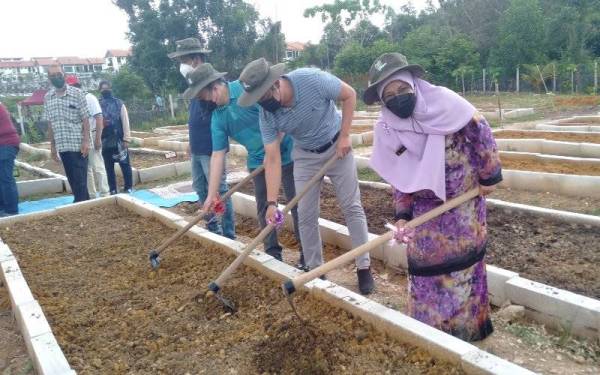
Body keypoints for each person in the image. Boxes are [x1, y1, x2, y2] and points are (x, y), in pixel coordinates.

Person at [365, 53, 502, 342]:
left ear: (414, 84)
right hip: (425, 217)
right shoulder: (388, 128)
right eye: (389, 95)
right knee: (428, 279)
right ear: (381, 99)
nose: (397, 97)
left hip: (463, 208)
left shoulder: (447, 104)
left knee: (465, 272)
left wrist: (489, 175)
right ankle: (432, 337)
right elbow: (400, 177)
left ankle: (467, 333)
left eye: (402, 89)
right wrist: (403, 215)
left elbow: (482, 133)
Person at [238, 58, 375, 295]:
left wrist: (344, 136)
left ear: (275, 84)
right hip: (304, 156)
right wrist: (271, 203)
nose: (262, 104)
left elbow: (350, 94)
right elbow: (272, 158)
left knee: (351, 207)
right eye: (257, 100)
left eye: (264, 96)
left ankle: (364, 266)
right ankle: (315, 269)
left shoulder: (312, 80)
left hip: (336, 149)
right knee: (306, 215)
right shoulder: (266, 114)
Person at [185, 63, 304, 263]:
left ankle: (306, 253)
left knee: (297, 205)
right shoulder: (217, 117)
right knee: (265, 207)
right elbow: (217, 155)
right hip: (258, 161)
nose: (208, 100)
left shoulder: (246, 90)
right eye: (203, 98)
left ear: (215, 85)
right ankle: (273, 253)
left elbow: (279, 113)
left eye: (206, 94)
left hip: (287, 152)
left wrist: (273, 148)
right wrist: (212, 195)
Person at [168, 37, 235, 239]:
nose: (182, 65)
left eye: (184, 60)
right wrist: (191, 141)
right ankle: (213, 227)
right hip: (197, 148)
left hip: (212, 148)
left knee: (219, 191)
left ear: (196, 58)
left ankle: (228, 234)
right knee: (200, 188)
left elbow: (221, 118)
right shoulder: (195, 85)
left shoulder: (214, 84)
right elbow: (196, 116)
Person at [43, 65, 90, 202]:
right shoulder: (48, 97)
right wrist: (52, 146)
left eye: (58, 74)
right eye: (52, 75)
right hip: (62, 145)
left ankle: (80, 206)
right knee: (72, 180)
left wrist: (86, 141)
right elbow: (50, 123)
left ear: (64, 75)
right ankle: (85, 205)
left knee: (80, 179)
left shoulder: (77, 93)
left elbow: (85, 119)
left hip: (78, 144)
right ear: (49, 78)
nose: (56, 77)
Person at [65, 75, 109, 198]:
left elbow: (99, 117)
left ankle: (105, 193)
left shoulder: (89, 98)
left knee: (97, 165)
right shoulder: (72, 100)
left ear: (76, 86)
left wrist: (98, 138)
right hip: (80, 137)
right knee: (86, 168)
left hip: (93, 133)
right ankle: (91, 194)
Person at [98, 80, 133, 194]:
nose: (105, 90)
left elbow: (125, 120)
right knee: (108, 166)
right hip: (105, 140)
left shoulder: (119, 103)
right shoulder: (98, 104)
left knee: (125, 164)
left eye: (107, 88)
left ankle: (128, 187)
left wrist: (126, 138)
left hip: (119, 139)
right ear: (100, 90)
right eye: (103, 89)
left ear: (111, 89)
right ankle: (112, 189)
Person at [0, 102, 20, 217]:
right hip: (5, 144)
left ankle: (11, 211)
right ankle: (2, 208)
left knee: (5, 178)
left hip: (5, 144)